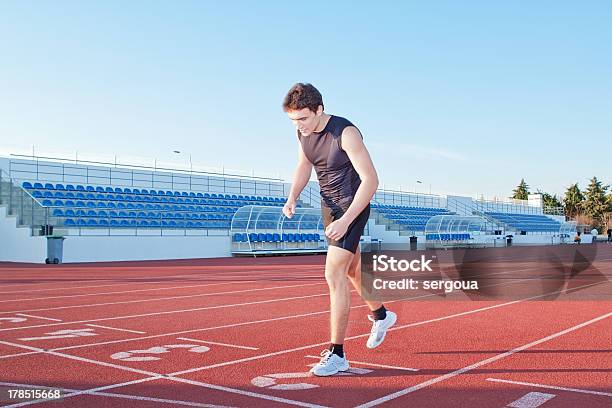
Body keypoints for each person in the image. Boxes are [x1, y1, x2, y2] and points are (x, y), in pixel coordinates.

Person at [282, 83, 396, 377]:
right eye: (294, 120)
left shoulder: (346, 133)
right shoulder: (302, 133)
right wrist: (293, 196)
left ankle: (337, 354)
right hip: (329, 207)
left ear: (319, 110)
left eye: (303, 119)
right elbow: (304, 166)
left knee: (333, 273)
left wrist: (346, 220)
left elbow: (371, 180)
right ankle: (381, 315)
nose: (299, 126)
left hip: (353, 206)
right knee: (351, 270)